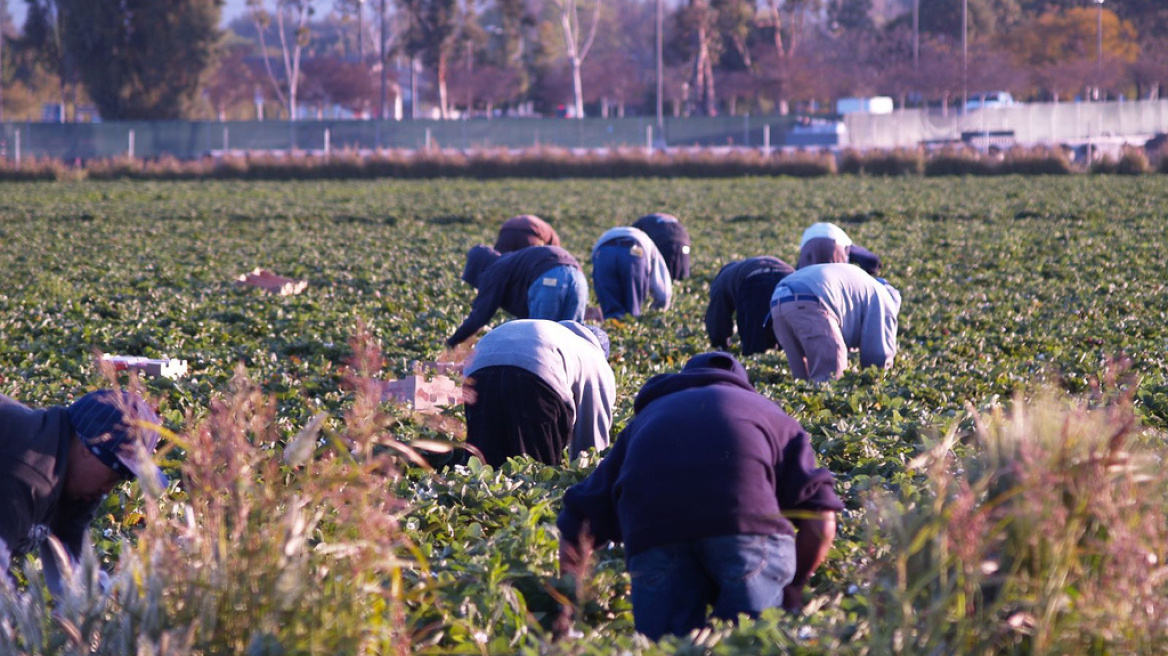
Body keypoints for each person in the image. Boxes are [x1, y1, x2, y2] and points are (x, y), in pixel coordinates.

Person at [556, 352, 842, 640]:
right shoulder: (769, 414)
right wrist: (794, 586)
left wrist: (568, 609)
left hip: (656, 534)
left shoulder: (645, 421)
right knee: (753, 643)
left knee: (668, 646)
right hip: (747, 531)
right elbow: (823, 519)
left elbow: (578, 518)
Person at [1, 389, 167, 594]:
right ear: (87, 449)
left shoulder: (73, 481)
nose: (107, 489)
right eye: (114, 475)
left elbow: (77, 580)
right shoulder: (27, 475)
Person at [462, 319, 615, 467]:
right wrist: (586, 477)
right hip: (537, 374)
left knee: (484, 460)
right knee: (534, 467)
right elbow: (591, 441)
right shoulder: (595, 359)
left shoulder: (557, 334)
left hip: (478, 368)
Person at [769, 262, 901, 382]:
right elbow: (878, 355)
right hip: (811, 299)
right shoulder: (884, 299)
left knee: (802, 380)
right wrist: (877, 381)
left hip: (778, 300)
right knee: (830, 376)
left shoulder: (864, 285)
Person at [447, 245, 587, 347]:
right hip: (578, 277)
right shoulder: (509, 262)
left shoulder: (492, 270)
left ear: (476, 268)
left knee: (540, 341)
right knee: (571, 339)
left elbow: (480, 315)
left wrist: (452, 342)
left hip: (549, 278)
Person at [705, 256, 794, 356]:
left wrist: (720, 343)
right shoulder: (734, 272)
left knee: (755, 342)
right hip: (790, 278)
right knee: (789, 338)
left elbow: (717, 316)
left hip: (756, 279)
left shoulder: (721, 281)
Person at [590, 226, 672, 320]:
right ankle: (628, 324)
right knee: (631, 310)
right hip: (634, 251)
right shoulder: (648, 242)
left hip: (604, 251)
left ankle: (612, 327)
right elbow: (660, 283)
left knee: (611, 311)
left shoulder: (608, 234)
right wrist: (660, 307)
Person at [797, 221, 882, 275]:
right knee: (836, 275)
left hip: (808, 242)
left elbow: (796, 272)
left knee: (805, 276)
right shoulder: (846, 244)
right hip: (834, 241)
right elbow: (871, 259)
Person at [631, 213, 691, 281]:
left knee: (662, 277)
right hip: (684, 243)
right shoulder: (670, 219)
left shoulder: (640, 224)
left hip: (663, 242)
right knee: (683, 275)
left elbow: (633, 241)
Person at [494, 214, 561, 254]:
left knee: (499, 260)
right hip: (529, 232)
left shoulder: (546, 230)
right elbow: (555, 253)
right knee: (528, 263)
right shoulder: (553, 238)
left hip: (507, 230)